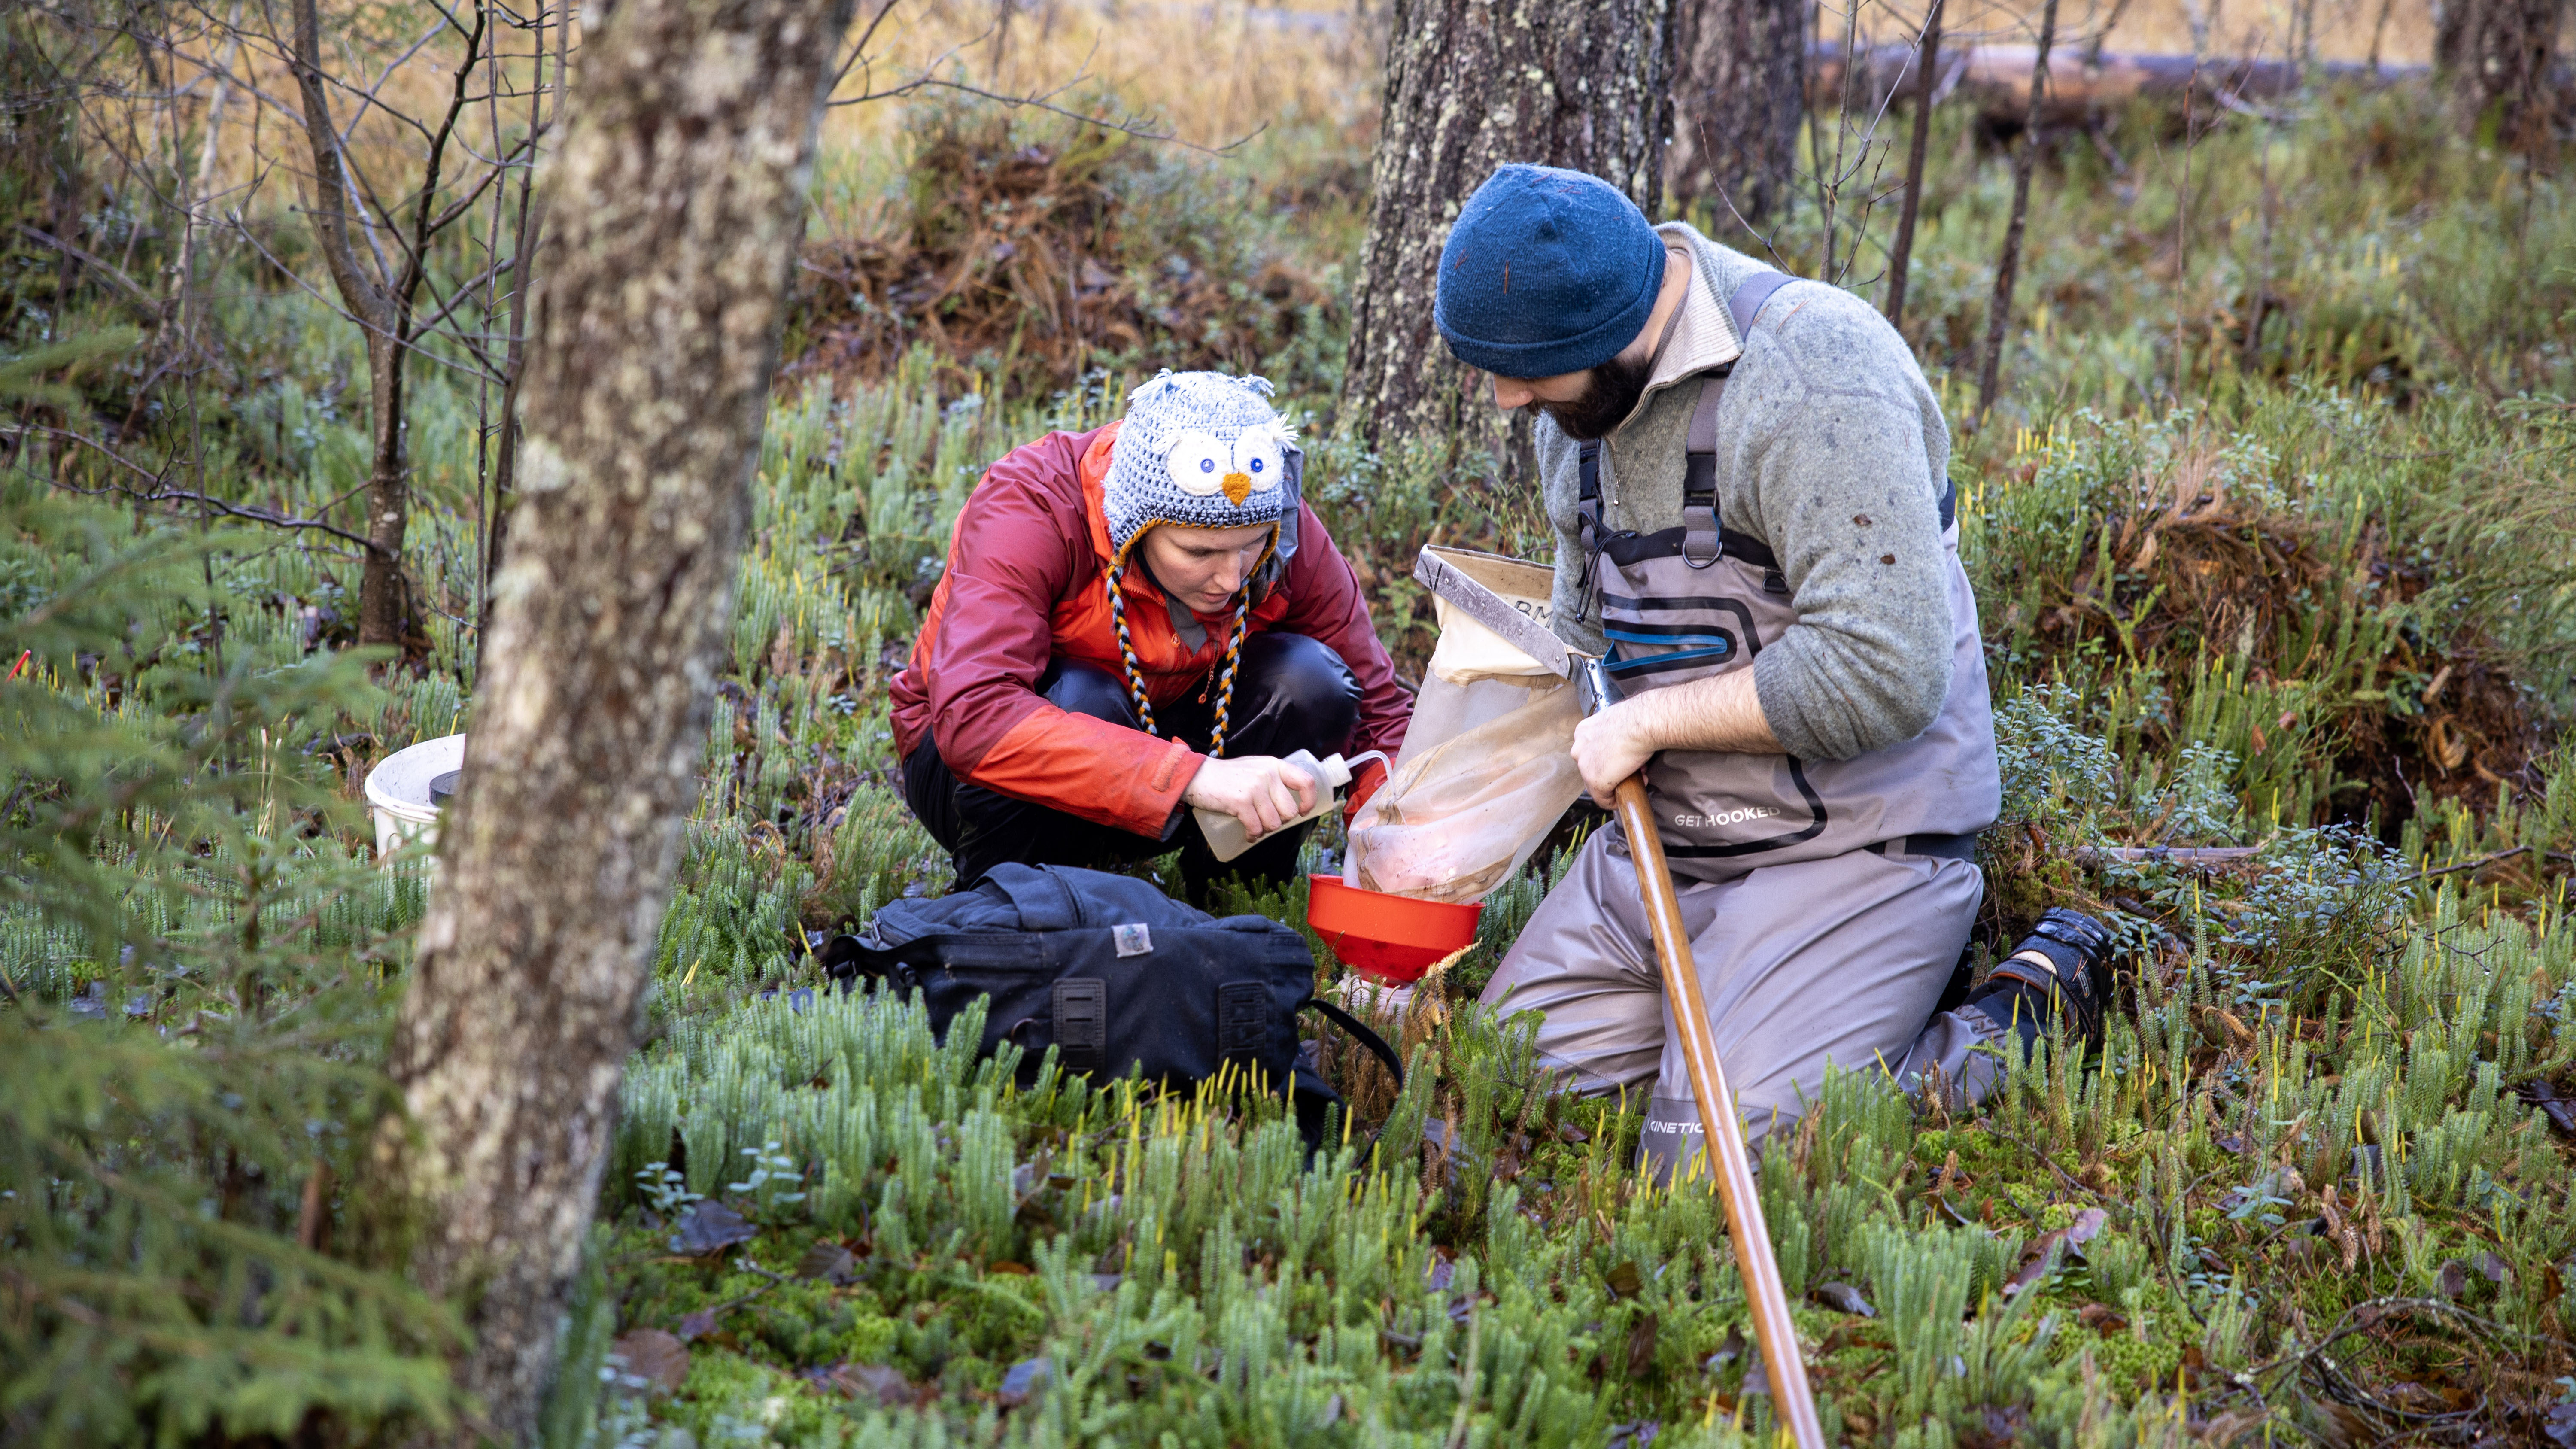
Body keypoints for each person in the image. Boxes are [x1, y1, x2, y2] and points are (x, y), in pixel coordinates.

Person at [1434, 163, 2114, 1179]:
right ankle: (1759, 1017)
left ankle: (2019, 1015)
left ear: (1612, 330)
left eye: (1527, 371)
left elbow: (1882, 671)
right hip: (1665, 849)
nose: (1504, 398)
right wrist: (1434, 842)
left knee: (1708, 1167)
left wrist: (1656, 725)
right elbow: (1587, 642)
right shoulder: (1572, 422)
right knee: (1501, 1087)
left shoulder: (1815, 378)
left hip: (1851, 849)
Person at [892, 370, 1410, 897]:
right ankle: (1017, 912)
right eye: (1199, 553)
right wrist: (1190, 778)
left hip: (1174, 758)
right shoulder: (1033, 506)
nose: (1233, 580)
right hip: (977, 775)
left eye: (1251, 546)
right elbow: (974, 716)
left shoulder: (1281, 533)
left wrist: (1394, 845)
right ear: (1136, 526)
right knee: (1081, 696)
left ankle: (1235, 905)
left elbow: (1381, 714)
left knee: (1310, 683)